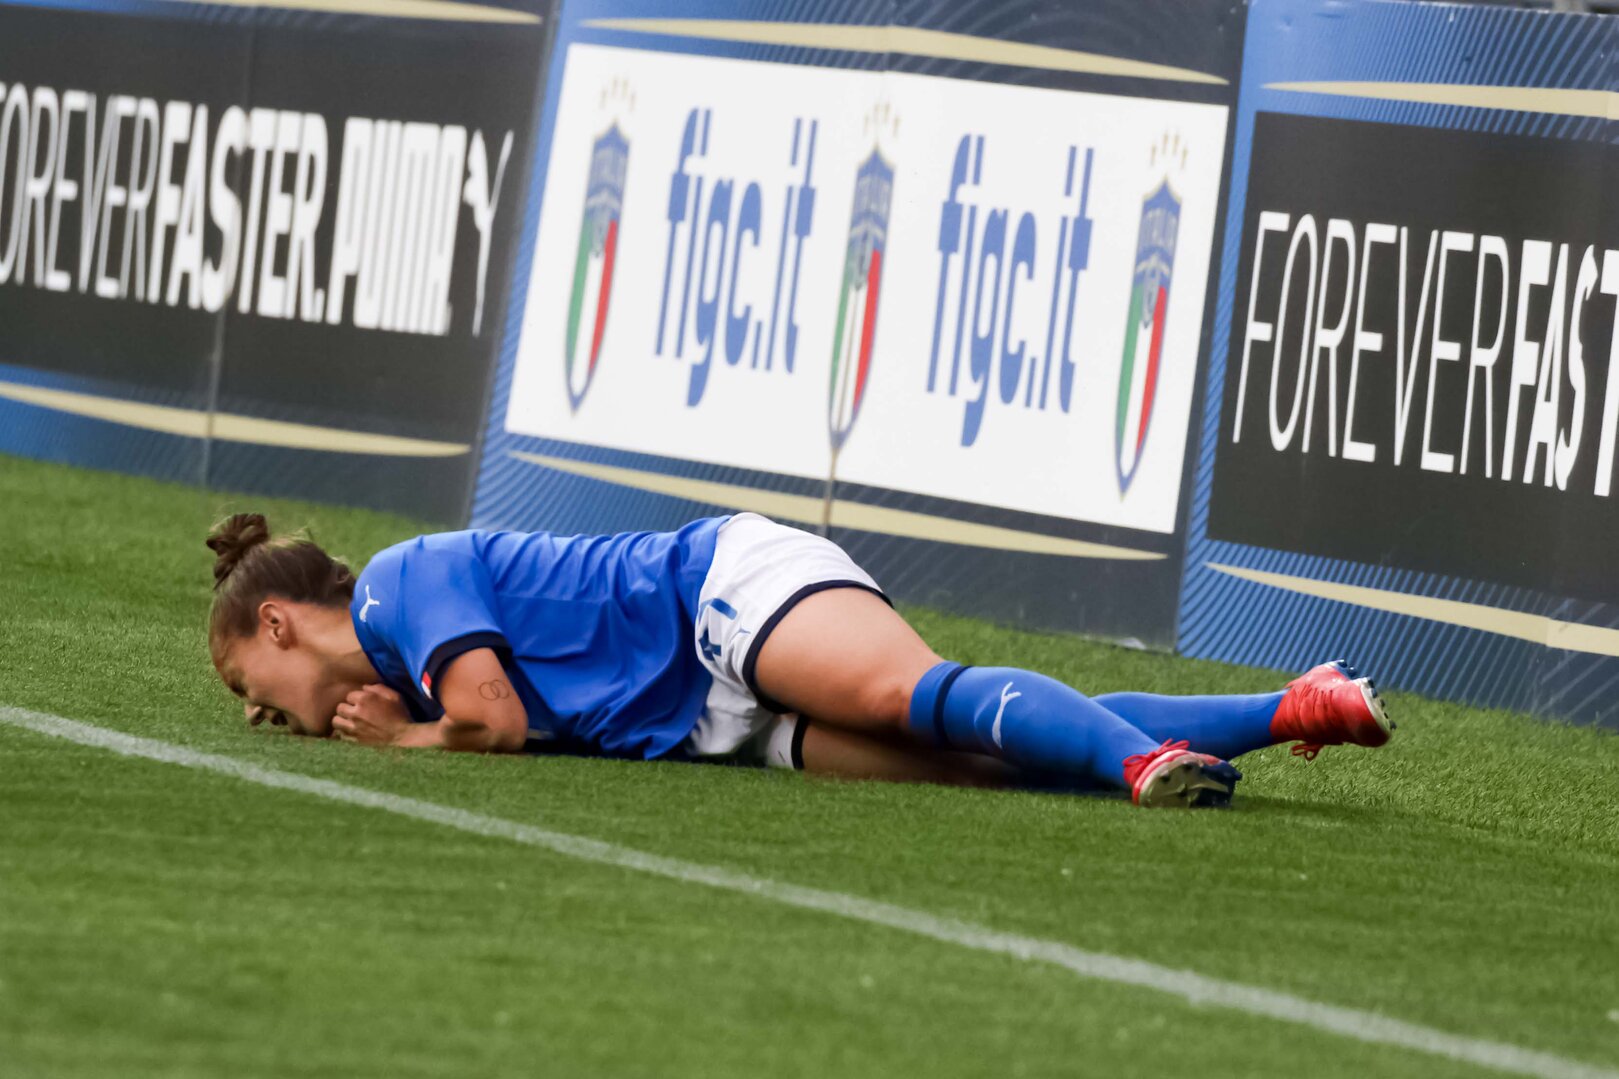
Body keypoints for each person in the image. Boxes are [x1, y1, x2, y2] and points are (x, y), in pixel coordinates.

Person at [206, 511, 1393, 809]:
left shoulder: (400, 581)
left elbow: (493, 720)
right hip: (709, 721)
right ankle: (1295, 705)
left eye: (242, 687)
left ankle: (1139, 767)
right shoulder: (403, 663)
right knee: (975, 761)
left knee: (904, 693)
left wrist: (407, 737)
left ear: (277, 626)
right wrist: (409, 716)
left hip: (713, 592)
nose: (258, 711)